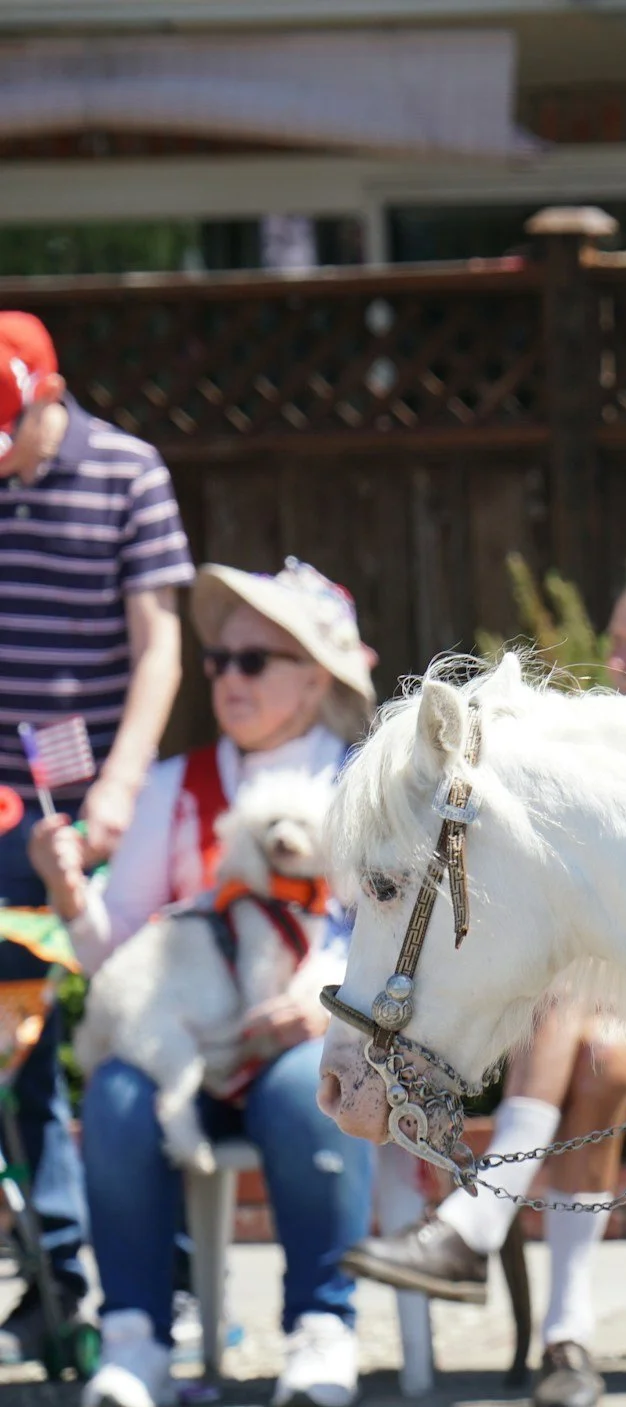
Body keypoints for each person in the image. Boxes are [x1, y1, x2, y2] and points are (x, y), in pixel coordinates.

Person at [344, 555, 626, 1407]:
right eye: (617, 640)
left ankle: (478, 1221)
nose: (618, 663)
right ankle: (569, 1340)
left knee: (581, 1012)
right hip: (602, 1034)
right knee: (595, 1043)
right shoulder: (605, 756)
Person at [36, 560, 376, 1407]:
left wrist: (325, 996)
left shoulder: (367, 785)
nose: (227, 677)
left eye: (252, 661)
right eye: (220, 660)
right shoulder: (169, 786)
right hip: (182, 1042)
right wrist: (71, 894)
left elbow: (403, 938)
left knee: (309, 1089)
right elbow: (113, 945)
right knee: (114, 1096)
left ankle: (320, 1332)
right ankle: (136, 1341)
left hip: (312, 1041)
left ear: (313, 676)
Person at [0, 310, 192, 1362]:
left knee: (128, 1025)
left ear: (47, 391)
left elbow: (159, 644)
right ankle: (59, 1277)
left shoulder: (127, 472)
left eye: (13, 432)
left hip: (102, 803)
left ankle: (166, 1278)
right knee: (16, 1042)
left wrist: (121, 787)